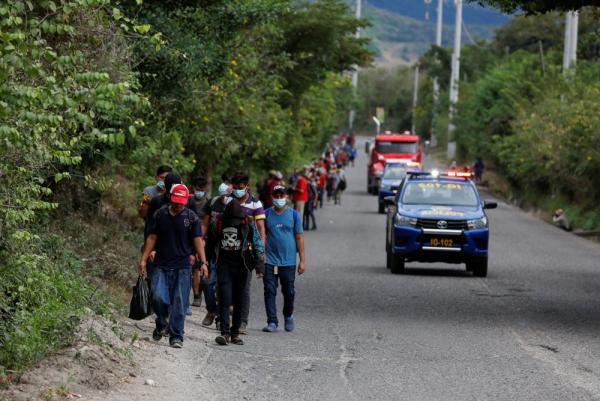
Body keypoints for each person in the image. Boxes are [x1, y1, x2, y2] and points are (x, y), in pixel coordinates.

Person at [138, 184, 208, 348]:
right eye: (176, 201)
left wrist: (203, 262)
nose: (179, 204)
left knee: (179, 302)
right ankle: (162, 323)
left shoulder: (191, 218)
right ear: (171, 198)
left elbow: (198, 240)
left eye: (181, 202)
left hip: (182, 267)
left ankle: (176, 336)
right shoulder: (160, 214)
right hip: (161, 264)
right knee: (157, 296)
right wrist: (143, 259)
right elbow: (152, 238)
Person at [214, 200, 265, 345]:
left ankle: (235, 333)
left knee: (239, 300)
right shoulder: (218, 223)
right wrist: (205, 262)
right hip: (224, 266)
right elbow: (211, 242)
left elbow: (257, 244)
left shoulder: (248, 224)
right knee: (225, 298)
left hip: (242, 267)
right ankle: (225, 333)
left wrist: (260, 266)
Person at [224, 172, 266, 335]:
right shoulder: (227, 200)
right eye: (235, 188)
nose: (237, 191)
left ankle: (242, 321)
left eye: (240, 188)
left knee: (244, 288)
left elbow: (261, 230)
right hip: (227, 250)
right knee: (225, 286)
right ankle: (226, 319)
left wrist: (260, 254)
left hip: (246, 253)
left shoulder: (255, 204)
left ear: (247, 186)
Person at [262, 185, 306, 333]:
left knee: (289, 291)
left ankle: (288, 315)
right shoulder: (266, 214)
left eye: (282, 196)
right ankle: (272, 321)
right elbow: (262, 236)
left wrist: (302, 261)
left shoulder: (294, 215)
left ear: (287, 197)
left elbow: (299, 237)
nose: (279, 199)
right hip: (269, 260)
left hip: (288, 261)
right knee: (269, 290)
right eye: (276, 196)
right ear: (272, 197)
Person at [190, 176, 209, 309]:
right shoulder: (187, 201)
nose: (199, 192)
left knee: (202, 267)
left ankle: (201, 292)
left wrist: (203, 238)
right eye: (197, 189)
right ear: (193, 188)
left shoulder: (208, 204)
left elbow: (208, 223)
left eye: (202, 189)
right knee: (194, 268)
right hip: (189, 237)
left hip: (204, 239)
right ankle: (196, 294)